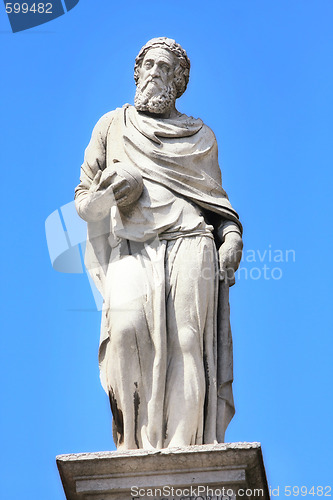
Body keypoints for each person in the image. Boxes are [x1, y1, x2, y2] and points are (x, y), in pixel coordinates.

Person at [75, 37, 243, 450]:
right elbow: (83, 201)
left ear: (178, 80)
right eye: (148, 65)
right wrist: (111, 192)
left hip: (191, 239)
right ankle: (132, 445)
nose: (154, 73)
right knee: (127, 329)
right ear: (137, 72)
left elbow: (217, 203)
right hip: (131, 243)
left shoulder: (201, 136)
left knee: (188, 339)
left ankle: (186, 447)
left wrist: (233, 238)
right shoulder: (112, 125)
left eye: (164, 67)